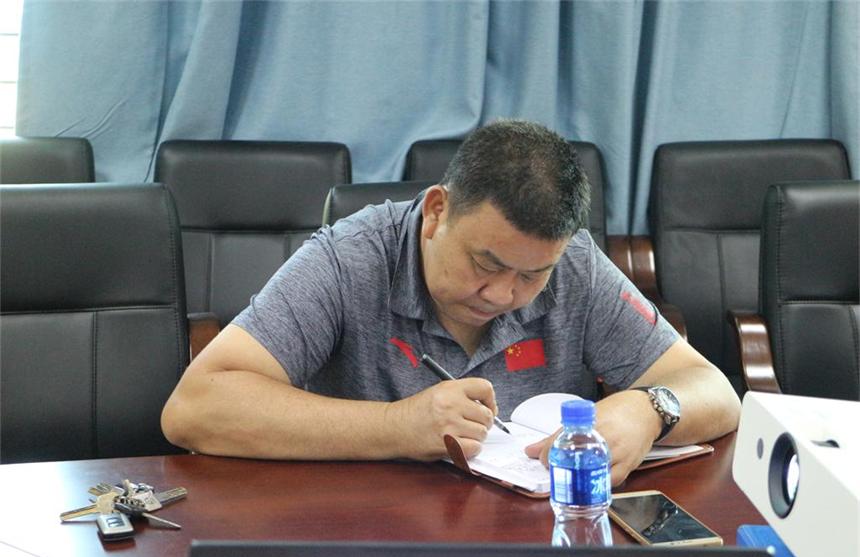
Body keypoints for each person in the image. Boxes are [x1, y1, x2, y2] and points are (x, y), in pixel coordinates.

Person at [161, 120, 740, 485]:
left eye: (531, 275)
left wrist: (650, 409)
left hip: (534, 541)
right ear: (438, 210)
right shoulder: (350, 257)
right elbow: (195, 407)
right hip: (364, 531)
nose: (503, 295)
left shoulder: (576, 267)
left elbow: (713, 391)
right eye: (485, 264)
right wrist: (395, 426)